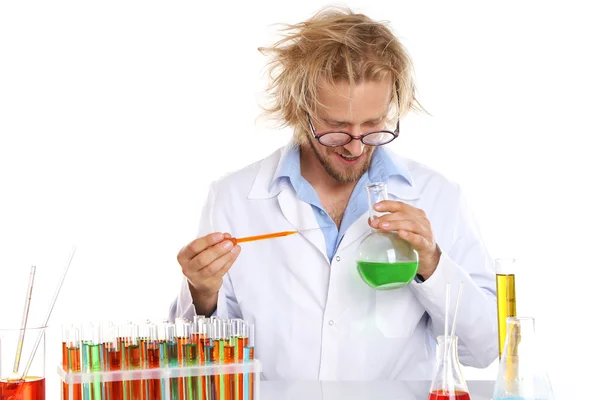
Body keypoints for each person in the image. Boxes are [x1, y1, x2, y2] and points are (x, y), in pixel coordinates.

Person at [169, 7, 498, 380]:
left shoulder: (437, 196)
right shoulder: (232, 198)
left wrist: (433, 263)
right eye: (337, 128)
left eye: (373, 125)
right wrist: (202, 294)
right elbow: (198, 368)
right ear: (300, 109)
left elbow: (484, 349)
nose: (356, 147)